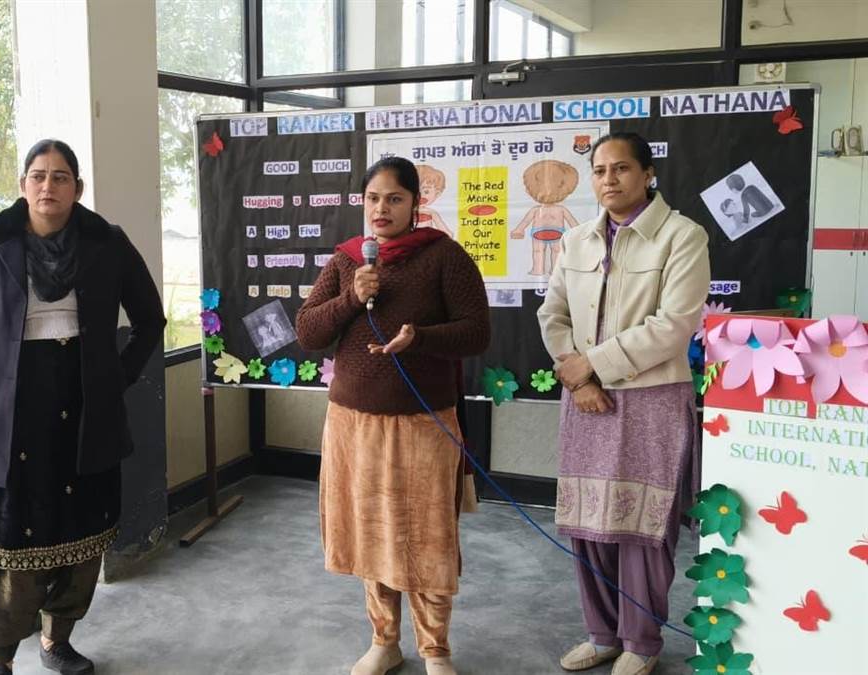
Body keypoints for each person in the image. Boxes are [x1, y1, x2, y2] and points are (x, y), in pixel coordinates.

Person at [0, 139, 165, 675]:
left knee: (83, 527)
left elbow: (149, 319)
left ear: (77, 188)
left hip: (88, 408)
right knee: (11, 531)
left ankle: (56, 640)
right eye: (38, 176)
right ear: (23, 185)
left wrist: (116, 378)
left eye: (60, 177)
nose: (48, 186)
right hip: (14, 411)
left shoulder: (106, 242)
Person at [296, 156, 490, 675]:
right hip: (353, 424)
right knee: (372, 533)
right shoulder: (347, 261)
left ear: (415, 203)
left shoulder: (445, 256)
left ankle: (435, 650)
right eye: (373, 199)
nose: (381, 209)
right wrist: (351, 299)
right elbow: (308, 332)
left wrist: (419, 338)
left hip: (424, 423)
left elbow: (477, 332)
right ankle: (384, 641)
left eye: (394, 198)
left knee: (427, 538)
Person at [537, 132, 709, 675]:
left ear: (648, 174)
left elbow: (674, 325)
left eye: (622, 168)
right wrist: (579, 379)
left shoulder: (682, 236)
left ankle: (641, 641)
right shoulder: (576, 240)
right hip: (584, 397)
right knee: (588, 519)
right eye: (599, 170)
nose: (609, 179)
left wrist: (593, 364)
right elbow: (553, 315)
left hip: (651, 400)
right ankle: (602, 634)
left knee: (642, 525)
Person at [510, 159, 582, 275]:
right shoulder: (542, 210)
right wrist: (519, 229)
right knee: (548, 251)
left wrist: (579, 231)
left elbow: (572, 221)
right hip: (547, 233)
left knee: (547, 251)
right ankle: (543, 269)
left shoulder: (557, 209)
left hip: (547, 233)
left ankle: (549, 270)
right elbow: (525, 221)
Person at [415, 164, 454, 237]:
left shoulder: (431, 213)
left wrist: (433, 214)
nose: (420, 196)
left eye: (426, 192)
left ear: (437, 194)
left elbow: (448, 234)